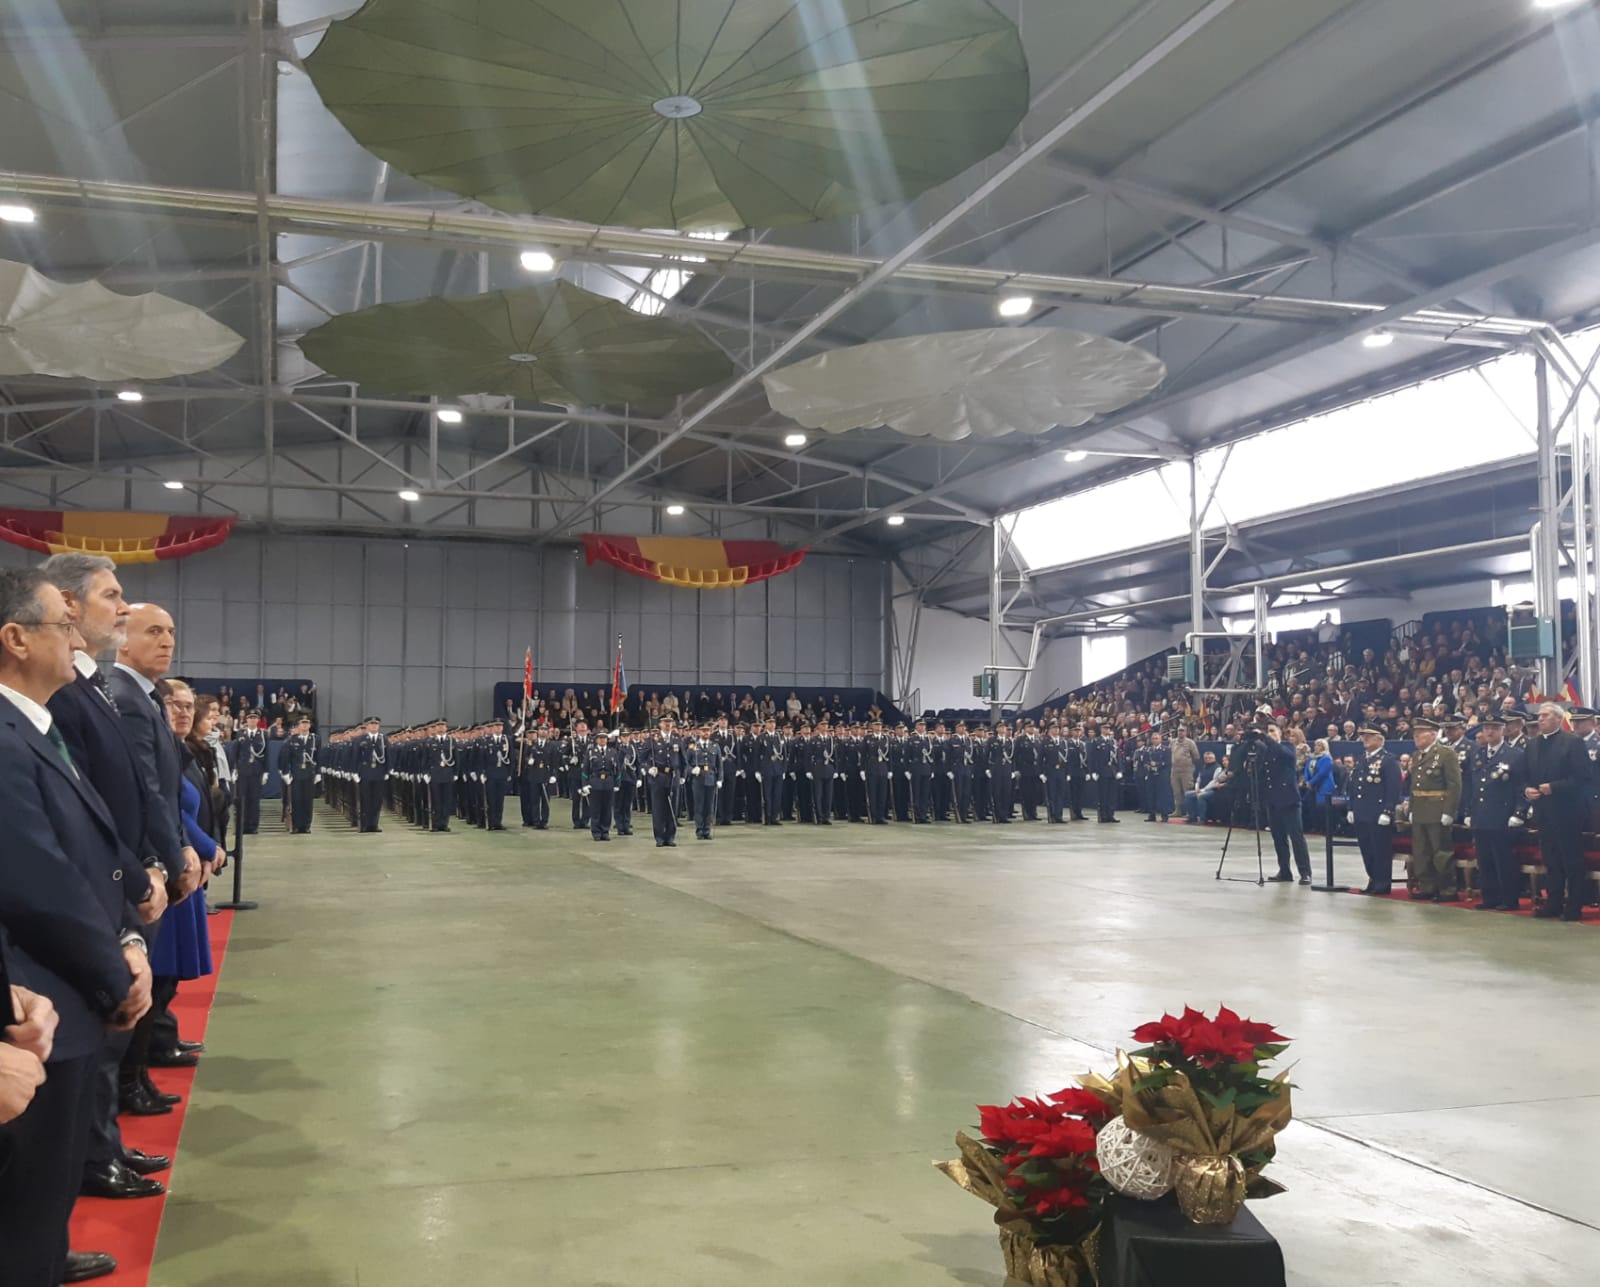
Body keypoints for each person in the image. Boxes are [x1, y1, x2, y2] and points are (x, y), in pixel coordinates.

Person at [0, 568, 153, 1287]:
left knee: (46, 1197)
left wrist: (126, 934)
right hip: (38, 1000)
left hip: (69, 988)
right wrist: (115, 969)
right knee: (27, 1210)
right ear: (15, 637)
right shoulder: (6, 738)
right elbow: (40, 881)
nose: (74, 637)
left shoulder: (42, 723)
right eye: (62, 624)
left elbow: (93, 848)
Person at [39, 555, 177, 1197]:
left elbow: (130, 793)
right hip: (94, 890)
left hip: (117, 879)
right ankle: (94, 1159)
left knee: (105, 1043)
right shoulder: (70, 695)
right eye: (111, 596)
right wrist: (140, 870)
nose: (123, 608)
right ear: (68, 605)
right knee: (91, 1039)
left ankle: (101, 1149)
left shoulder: (90, 687)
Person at [1523, 702, 1590, 921]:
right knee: (1551, 860)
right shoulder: (1532, 744)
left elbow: (1582, 777)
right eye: (1539, 716)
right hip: (1543, 811)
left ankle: (1573, 906)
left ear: (1557, 719)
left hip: (1567, 811)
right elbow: (1525, 774)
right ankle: (1553, 902)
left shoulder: (1572, 742)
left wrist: (1554, 787)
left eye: (1544, 716)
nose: (1539, 719)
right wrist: (1527, 790)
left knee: (1571, 861)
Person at [1466, 716, 1525, 911]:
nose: (1489, 732)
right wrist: (1468, 810)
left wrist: (1519, 812)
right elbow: (1471, 785)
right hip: (1481, 815)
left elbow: (1521, 786)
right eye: (1486, 728)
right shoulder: (1478, 753)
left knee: (1504, 860)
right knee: (1484, 860)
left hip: (1503, 815)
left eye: (1494, 728)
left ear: (1503, 730)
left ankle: (1509, 899)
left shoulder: (1514, 755)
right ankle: (1489, 897)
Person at [1406, 718, 1463, 901]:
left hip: (1438, 808)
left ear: (1432, 735)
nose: (1416, 738)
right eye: (1415, 734)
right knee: (1421, 852)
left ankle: (1447, 889)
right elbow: (1415, 785)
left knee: (1441, 852)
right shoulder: (1417, 756)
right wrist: (1412, 808)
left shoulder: (1446, 754)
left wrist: (1449, 811)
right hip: (1421, 809)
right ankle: (1427, 886)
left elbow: (1454, 785)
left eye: (1419, 734)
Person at [1349, 726, 1403, 895]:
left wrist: (1388, 811)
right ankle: (1373, 878)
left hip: (1378, 812)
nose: (1364, 739)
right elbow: (1354, 786)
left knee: (1380, 850)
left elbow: (1393, 788)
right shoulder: (1362, 759)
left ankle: (1382, 883)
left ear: (1380, 739)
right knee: (1367, 849)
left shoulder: (1388, 760)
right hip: (1361, 811)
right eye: (1363, 736)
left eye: (1369, 736)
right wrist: (1351, 808)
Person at [1261, 725, 1313, 884]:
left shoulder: (1287, 747)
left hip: (1289, 799)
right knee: (1278, 838)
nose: (1269, 734)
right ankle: (1284, 871)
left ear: (1279, 734)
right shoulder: (1265, 751)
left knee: (1296, 836)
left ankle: (1305, 872)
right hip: (1272, 799)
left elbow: (1286, 755)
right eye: (1267, 731)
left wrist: (1268, 740)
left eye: (1272, 731)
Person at [645, 715, 684, 847]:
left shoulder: (677, 739)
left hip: (673, 776)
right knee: (658, 809)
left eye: (670, 722)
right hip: (658, 776)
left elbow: (683, 759)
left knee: (672, 808)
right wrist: (649, 768)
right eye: (665, 722)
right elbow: (642, 758)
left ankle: (670, 836)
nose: (667, 724)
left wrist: (683, 775)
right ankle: (659, 837)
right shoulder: (653, 739)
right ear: (660, 724)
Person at [283, 714, 318, 834]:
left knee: (308, 801)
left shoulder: (315, 739)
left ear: (309, 725)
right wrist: (286, 772)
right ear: (298, 726)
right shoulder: (292, 740)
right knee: (296, 800)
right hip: (296, 774)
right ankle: (297, 825)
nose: (304, 725)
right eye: (302, 723)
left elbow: (318, 757)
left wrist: (318, 773)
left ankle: (307, 825)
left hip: (309, 773)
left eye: (307, 723)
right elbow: (287, 758)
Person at [581, 730, 619, 841]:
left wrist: (617, 783)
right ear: (597, 739)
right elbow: (585, 770)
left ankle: (605, 831)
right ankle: (596, 832)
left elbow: (617, 770)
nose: (602, 740)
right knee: (595, 809)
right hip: (595, 783)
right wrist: (585, 784)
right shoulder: (591, 752)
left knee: (607, 809)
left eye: (604, 738)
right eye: (600, 738)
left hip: (608, 783)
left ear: (607, 739)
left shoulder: (612, 752)